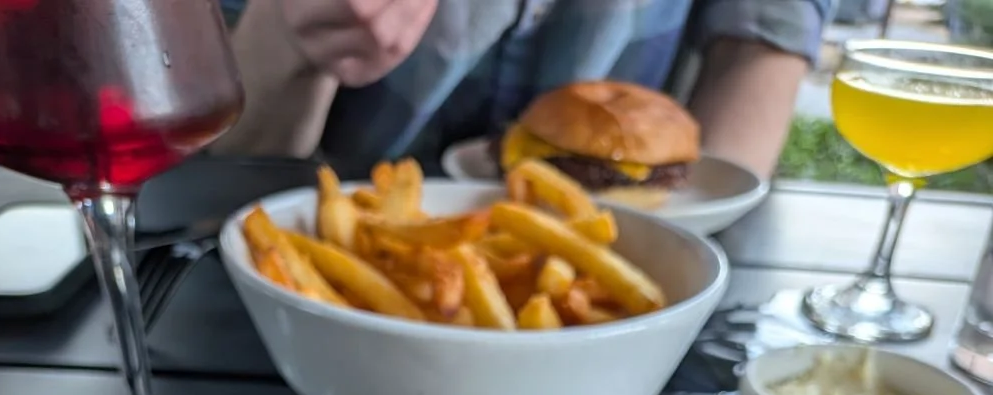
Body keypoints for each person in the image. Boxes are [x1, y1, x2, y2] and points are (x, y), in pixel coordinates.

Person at [219, 0, 829, 179]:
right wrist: (290, 29)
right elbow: (219, 168)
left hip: (612, 264)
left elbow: (764, 43)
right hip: (303, 262)